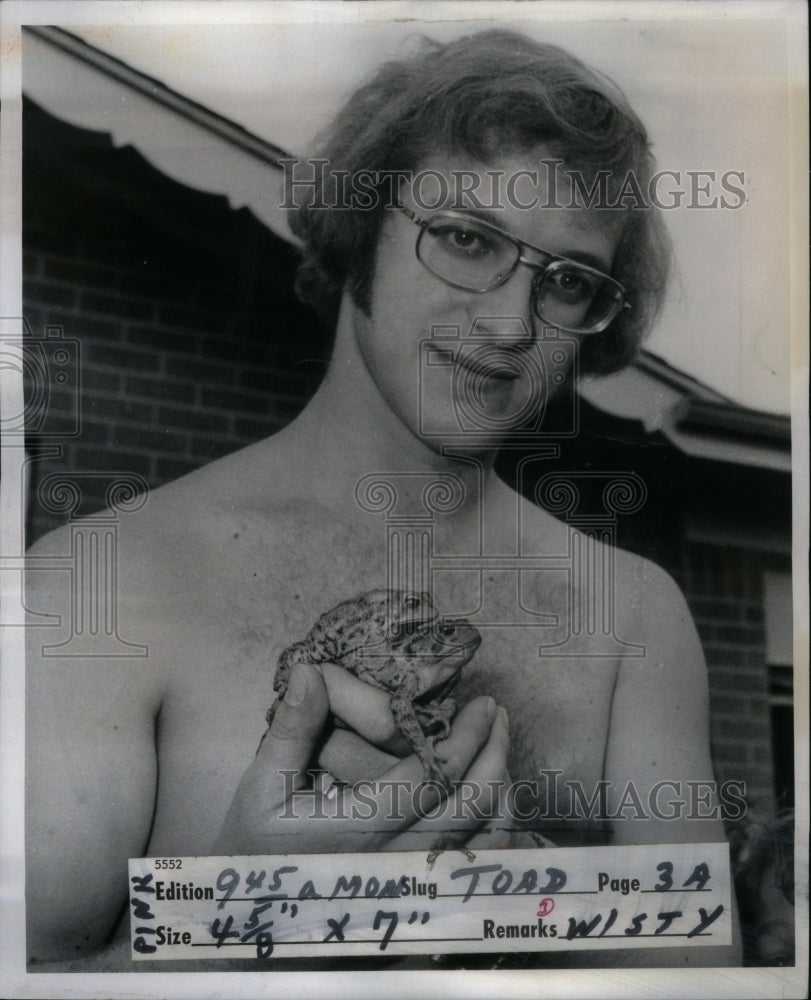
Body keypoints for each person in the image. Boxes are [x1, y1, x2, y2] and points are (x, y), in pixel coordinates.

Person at [25, 29, 741, 971]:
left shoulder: (633, 619)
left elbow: (686, 983)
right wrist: (241, 923)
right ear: (359, 225)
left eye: (566, 280)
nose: (506, 322)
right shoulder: (91, 586)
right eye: (465, 238)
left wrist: (529, 916)